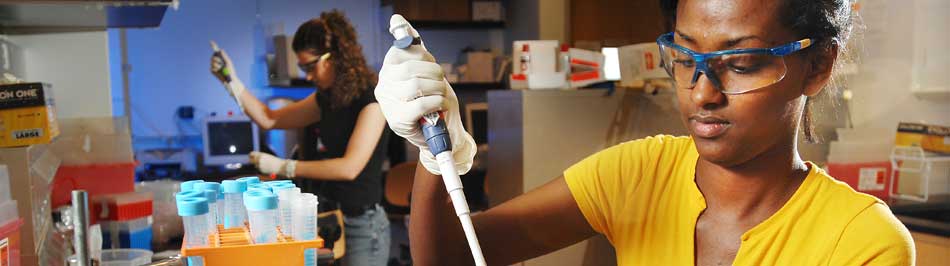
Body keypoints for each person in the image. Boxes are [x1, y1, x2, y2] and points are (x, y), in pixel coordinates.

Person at [374, 0, 916, 265]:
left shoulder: (863, 243)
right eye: (685, 57)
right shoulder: (638, 173)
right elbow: (449, 255)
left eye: (742, 62)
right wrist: (433, 152)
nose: (703, 92)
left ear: (818, 66)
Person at [210, 10, 390, 266]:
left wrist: (285, 166)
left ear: (335, 56)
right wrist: (232, 83)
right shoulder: (326, 99)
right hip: (329, 217)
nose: (307, 75)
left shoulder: (372, 100)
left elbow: (350, 168)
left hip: (363, 225)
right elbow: (270, 118)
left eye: (310, 65)